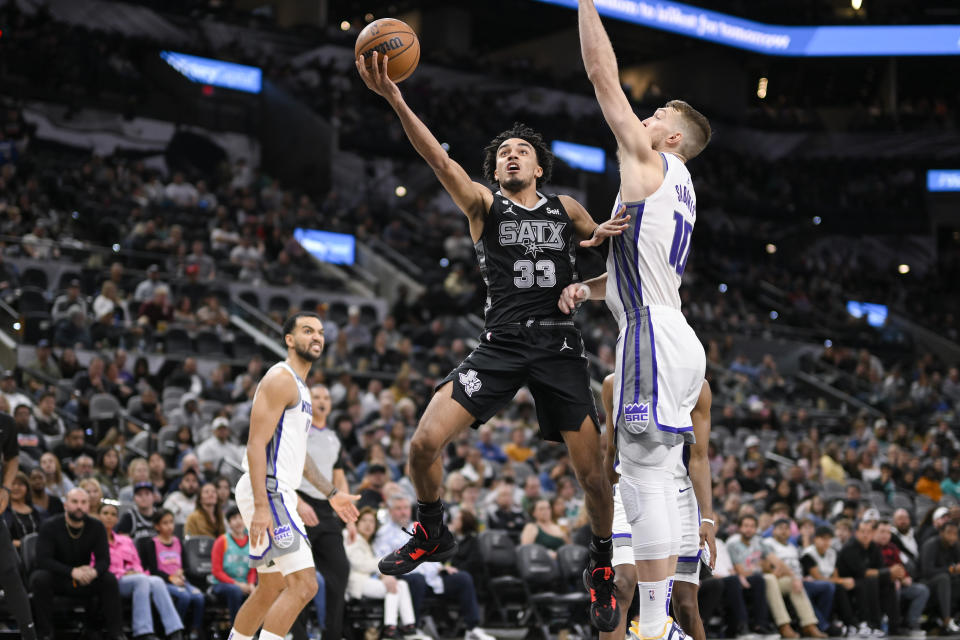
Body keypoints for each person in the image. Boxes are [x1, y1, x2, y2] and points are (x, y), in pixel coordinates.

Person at [357, 49, 626, 632]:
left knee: (595, 480)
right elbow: (437, 159)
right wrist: (397, 99)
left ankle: (601, 566)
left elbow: (610, 260)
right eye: (503, 152)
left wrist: (596, 257)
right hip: (502, 342)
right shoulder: (483, 204)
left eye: (521, 150)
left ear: (539, 166)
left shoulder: (568, 208)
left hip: (558, 347)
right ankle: (432, 527)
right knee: (423, 445)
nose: (511, 155)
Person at [564, 3, 712, 638]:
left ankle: (655, 625)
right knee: (653, 475)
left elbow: (602, 76)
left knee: (644, 478)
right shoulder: (679, 187)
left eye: (656, 118)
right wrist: (587, 287)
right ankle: (658, 623)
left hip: (651, 333)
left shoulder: (649, 162)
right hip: (672, 332)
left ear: (671, 138)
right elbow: (639, 268)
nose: (644, 119)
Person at [228, 312, 360, 640]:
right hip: (269, 491)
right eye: (307, 330)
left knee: (270, 586)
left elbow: (300, 458)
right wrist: (261, 505)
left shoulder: (302, 390)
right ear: (289, 339)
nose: (316, 336)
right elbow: (255, 444)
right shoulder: (281, 378)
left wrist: (332, 493)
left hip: (274, 489)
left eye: (319, 332)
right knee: (304, 585)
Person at [373, 493, 494, 640]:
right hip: (409, 579)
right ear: (390, 511)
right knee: (417, 579)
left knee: (463, 578)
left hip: (433, 578)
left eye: (405, 507)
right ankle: (412, 630)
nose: (403, 511)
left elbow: (431, 551)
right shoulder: (383, 533)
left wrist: (441, 567)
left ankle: (472, 629)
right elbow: (383, 560)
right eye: (398, 508)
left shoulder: (419, 528)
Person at [294, 383, 353, 640]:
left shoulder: (333, 437)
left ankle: (332, 634)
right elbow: (283, 471)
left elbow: (339, 480)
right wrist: (297, 502)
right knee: (300, 579)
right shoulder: (298, 431)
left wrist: (349, 518)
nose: (321, 400)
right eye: (316, 396)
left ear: (330, 404)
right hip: (300, 505)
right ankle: (298, 635)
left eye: (326, 397)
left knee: (340, 570)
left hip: (327, 511)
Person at [31, 488, 122, 640]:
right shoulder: (50, 525)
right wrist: (72, 571)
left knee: (109, 580)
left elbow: (104, 560)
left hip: (85, 579)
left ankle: (116, 634)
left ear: (88, 505)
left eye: (83, 502)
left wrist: (93, 572)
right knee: (39, 578)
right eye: (74, 502)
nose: (79, 506)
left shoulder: (97, 526)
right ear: (65, 504)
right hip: (59, 577)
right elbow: (43, 560)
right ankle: (45, 634)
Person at [97, 499, 185, 640]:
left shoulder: (126, 540)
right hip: (113, 581)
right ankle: (143, 631)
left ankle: (174, 630)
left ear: (117, 519)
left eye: (113, 514)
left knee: (156, 581)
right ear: (98, 516)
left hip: (136, 577)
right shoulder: (96, 540)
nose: (109, 516)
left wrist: (136, 570)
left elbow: (137, 562)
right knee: (142, 580)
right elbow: (97, 564)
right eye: (105, 513)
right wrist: (126, 573)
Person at [727, 514, 824, 639]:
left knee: (791, 582)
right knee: (770, 578)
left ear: (756, 529)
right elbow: (742, 571)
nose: (748, 529)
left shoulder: (759, 541)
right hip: (749, 581)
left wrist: (794, 577)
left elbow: (777, 562)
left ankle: (809, 624)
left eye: (752, 526)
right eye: (745, 526)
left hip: (764, 579)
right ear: (740, 528)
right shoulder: (733, 544)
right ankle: (783, 625)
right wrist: (761, 568)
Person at [670, 381, 715, 640]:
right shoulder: (628, 376)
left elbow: (700, 457)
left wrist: (707, 518)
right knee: (628, 590)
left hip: (681, 494)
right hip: (641, 489)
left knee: (686, 604)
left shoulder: (697, 387)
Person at [347, 507, 418, 639]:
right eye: (364, 521)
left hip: (368, 580)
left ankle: (409, 626)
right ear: (357, 523)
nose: (368, 525)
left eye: (372, 522)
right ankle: (390, 628)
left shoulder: (368, 543)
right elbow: (358, 564)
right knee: (393, 586)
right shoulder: (352, 537)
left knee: (401, 584)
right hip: (357, 582)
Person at [139, 509, 206, 640]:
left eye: (171, 522)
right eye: (165, 523)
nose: (169, 526)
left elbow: (185, 565)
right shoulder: (152, 543)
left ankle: (194, 629)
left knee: (199, 597)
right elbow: (153, 570)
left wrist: (182, 571)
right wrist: (170, 578)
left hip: (181, 580)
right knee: (184, 597)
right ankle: (175, 630)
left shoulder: (177, 541)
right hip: (163, 582)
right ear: (157, 526)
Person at [0, 412, 37, 640]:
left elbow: (12, 457)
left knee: (10, 571)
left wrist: (5, 488)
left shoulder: (6, 423)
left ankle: (29, 635)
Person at [766, 518, 835, 634]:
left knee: (827, 587)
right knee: (796, 586)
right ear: (773, 531)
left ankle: (818, 623)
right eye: (780, 528)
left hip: (799, 579)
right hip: (780, 580)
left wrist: (803, 577)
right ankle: (815, 625)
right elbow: (772, 566)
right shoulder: (768, 543)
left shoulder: (793, 547)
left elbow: (799, 567)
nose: (784, 531)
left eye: (786, 528)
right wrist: (795, 578)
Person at [836, 519, 903, 636]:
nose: (866, 534)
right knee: (871, 581)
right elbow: (862, 572)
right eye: (862, 531)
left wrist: (893, 574)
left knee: (889, 582)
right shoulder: (850, 547)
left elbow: (880, 568)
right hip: (849, 581)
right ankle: (870, 624)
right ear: (856, 533)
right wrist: (889, 571)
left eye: (869, 531)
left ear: (873, 533)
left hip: (867, 580)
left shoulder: (873, 547)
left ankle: (894, 626)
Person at [800, 526, 860, 636]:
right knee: (833, 587)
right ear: (815, 539)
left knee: (845, 586)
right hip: (812, 585)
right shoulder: (808, 554)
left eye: (828, 539)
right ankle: (845, 623)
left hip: (828, 585)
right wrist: (841, 581)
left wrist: (841, 581)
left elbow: (835, 576)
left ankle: (854, 623)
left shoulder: (832, 553)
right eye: (822, 538)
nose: (825, 542)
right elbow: (818, 577)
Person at [874, 519, 929, 634]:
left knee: (922, 590)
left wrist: (905, 577)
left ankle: (911, 624)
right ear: (874, 532)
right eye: (882, 531)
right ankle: (892, 624)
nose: (885, 535)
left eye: (888, 532)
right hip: (882, 585)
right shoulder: (872, 548)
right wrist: (893, 578)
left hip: (898, 583)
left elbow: (901, 566)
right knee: (893, 588)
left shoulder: (893, 547)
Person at [212, 506, 258, 620]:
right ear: (229, 523)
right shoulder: (222, 541)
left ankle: (257, 632)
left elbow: (253, 569)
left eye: (241, 517)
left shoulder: (252, 542)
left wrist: (251, 584)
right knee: (235, 591)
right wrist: (237, 584)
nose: (238, 521)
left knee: (263, 590)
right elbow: (217, 572)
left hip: (245, 584)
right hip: (221, 584)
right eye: (234, 518)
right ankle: (236, 631)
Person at [919, 519, 960, 633]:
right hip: (924, 581)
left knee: (954, 580)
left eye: (955, 534)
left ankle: (955, 618)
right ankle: (946, 620)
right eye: (949, 533)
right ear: (941, 533)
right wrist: (952, 569)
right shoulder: (931, 544)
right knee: (944, 578)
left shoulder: (954, 546)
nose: (952, 536)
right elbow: (927, 571)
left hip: (944, 580)